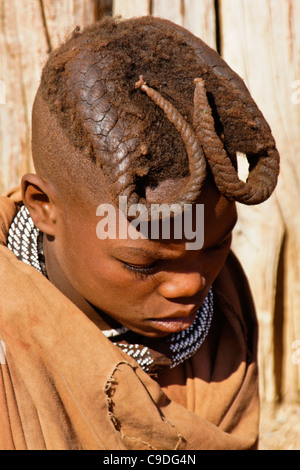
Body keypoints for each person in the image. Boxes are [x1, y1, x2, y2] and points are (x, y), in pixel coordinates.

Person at [0, 16, 279, 450]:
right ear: (44, 208)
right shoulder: (9, 351)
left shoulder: (223, 310)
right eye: (143, 262)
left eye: (216, 245)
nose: (193, 284)